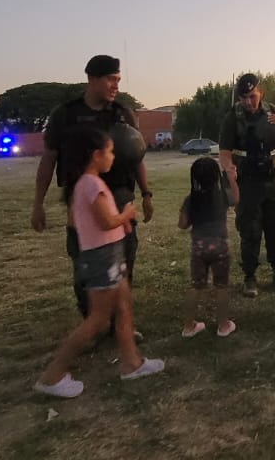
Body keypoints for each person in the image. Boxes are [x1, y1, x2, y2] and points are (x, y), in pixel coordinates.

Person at [32, 127, 164, 398]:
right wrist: (126, 214)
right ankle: (52, 375)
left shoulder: (85, 183)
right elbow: (106, 221)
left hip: (109, 254)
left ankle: (132, 363)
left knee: (124, 307)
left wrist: (119, 226)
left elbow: (85, 222)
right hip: (103, 258)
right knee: (97, 319)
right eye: (110, 152)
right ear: (95, 155)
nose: (113, 157)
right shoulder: (91, 184)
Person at [33, 54, 154, 341]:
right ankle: (93, 322)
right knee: (85, 265)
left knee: (124, 260)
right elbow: (49, 158)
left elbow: (136, 156)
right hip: (82, 200)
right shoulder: (66, 115)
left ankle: (119, 326)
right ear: (91, 79)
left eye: (118, 80)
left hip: (120, 194)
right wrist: (38, 203)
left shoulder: (124, 114)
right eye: (110, 79)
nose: (115, 85)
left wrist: (146, 193)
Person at [219, 73, 275, 297]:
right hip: (247, 181)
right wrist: (231, 180)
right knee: (249, 230)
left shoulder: (273, 111)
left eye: (252, 96)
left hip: (272, 179)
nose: (248, 102)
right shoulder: (233, 117)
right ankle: (249, 278)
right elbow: (224, 153)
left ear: (260, 92)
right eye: (244, 98)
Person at [179, 157, 241, 337]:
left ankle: (189, 326)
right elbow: (236, 198)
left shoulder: (190, 199)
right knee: (221, 286)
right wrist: (231, 178)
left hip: (199, 248)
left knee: (196, 286)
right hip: (220, 247)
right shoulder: (222, 196)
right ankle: (223, 325)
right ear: (216, 177)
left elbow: (183, 224)